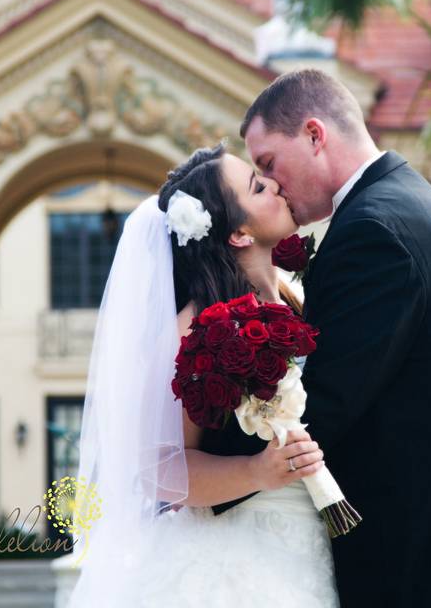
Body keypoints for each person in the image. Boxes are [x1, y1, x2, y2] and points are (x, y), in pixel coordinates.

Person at [202, 68, 431, 606]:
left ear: (315, 134)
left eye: (268, 163)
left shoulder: (376, 231)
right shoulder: (401, 207)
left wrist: (195, 465)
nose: (271, 184)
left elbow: (325, 401)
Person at [65, 143, 339, 607]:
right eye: (257, 186)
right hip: (240, 564)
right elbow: (160, 470)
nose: (273, 183)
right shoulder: (192, 330)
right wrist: (257, 470)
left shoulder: (296, 294)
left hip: (311, 544)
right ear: (238, 234)